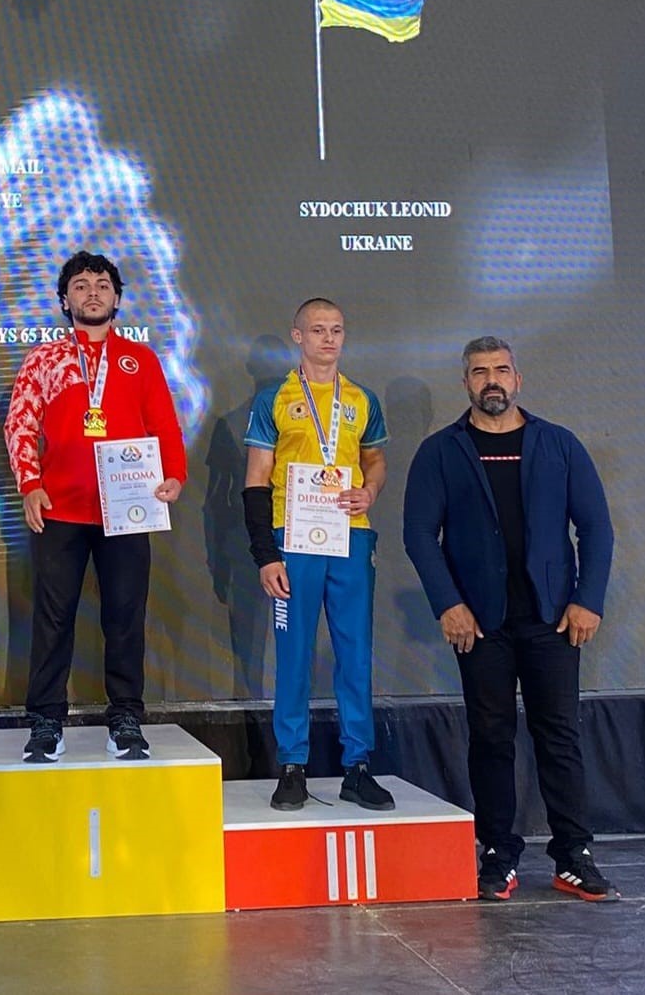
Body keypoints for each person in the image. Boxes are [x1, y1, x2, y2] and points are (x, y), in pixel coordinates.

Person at [403, 337, 617, 902]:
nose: (491, 380)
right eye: (479, 372)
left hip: (553, 619)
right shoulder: (440, 451)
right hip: (479, 624)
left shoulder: (559, 445)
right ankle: (498, 852)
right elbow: (419, 534)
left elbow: (596, 528)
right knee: (491, 737)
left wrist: (588, 599)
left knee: (560, 735)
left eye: (501, 369)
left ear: (518, 379)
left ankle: (573, 855)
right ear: (466, 383)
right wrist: (448, 604)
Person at [4, 250, 186, 763]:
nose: (92, 292)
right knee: (53, 619)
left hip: (127, 510)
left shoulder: (139, 359)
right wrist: (30, 483)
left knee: (125, 616)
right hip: (60, 510)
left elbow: (164, 425)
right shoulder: (45, 359)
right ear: (65, 300)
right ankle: (46, 721)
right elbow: (19, 423)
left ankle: (125, 718)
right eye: (81, 285)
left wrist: (174, 474)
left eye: (103, 284)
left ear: (117, 298)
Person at [242, 298, 394, 811]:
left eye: (336, 330)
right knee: (294, 654)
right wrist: (266, 555)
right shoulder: (275, 399)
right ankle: (292, 765)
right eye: (318, 330)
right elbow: (256, 480)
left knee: (355, 652)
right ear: (298, 336)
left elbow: (375, 460)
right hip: (293, 540)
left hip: (350, 536)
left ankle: (358, 765)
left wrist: (370, 490)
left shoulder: (362, 398)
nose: (328, 339)